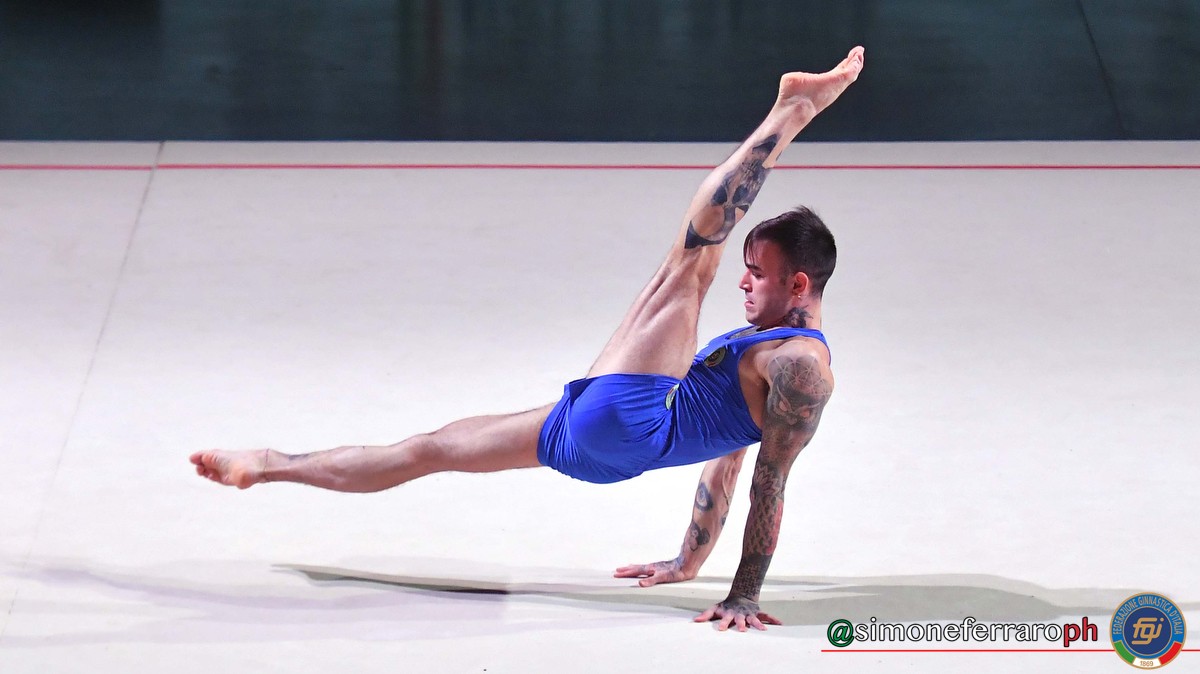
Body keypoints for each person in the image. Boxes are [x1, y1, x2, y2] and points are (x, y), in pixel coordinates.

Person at [191, 46, 865, 632]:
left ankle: (791, 112)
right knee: (427, 449)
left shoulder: (801, 367)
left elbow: (770, 482)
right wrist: (689, 559)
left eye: (759, 274)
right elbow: (729, 458)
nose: (745, 284)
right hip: (591, 433)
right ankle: (267, 464)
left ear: (799, 284)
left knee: (692, 259)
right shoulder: (764, 346)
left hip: (630, 425)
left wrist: (744, 594)